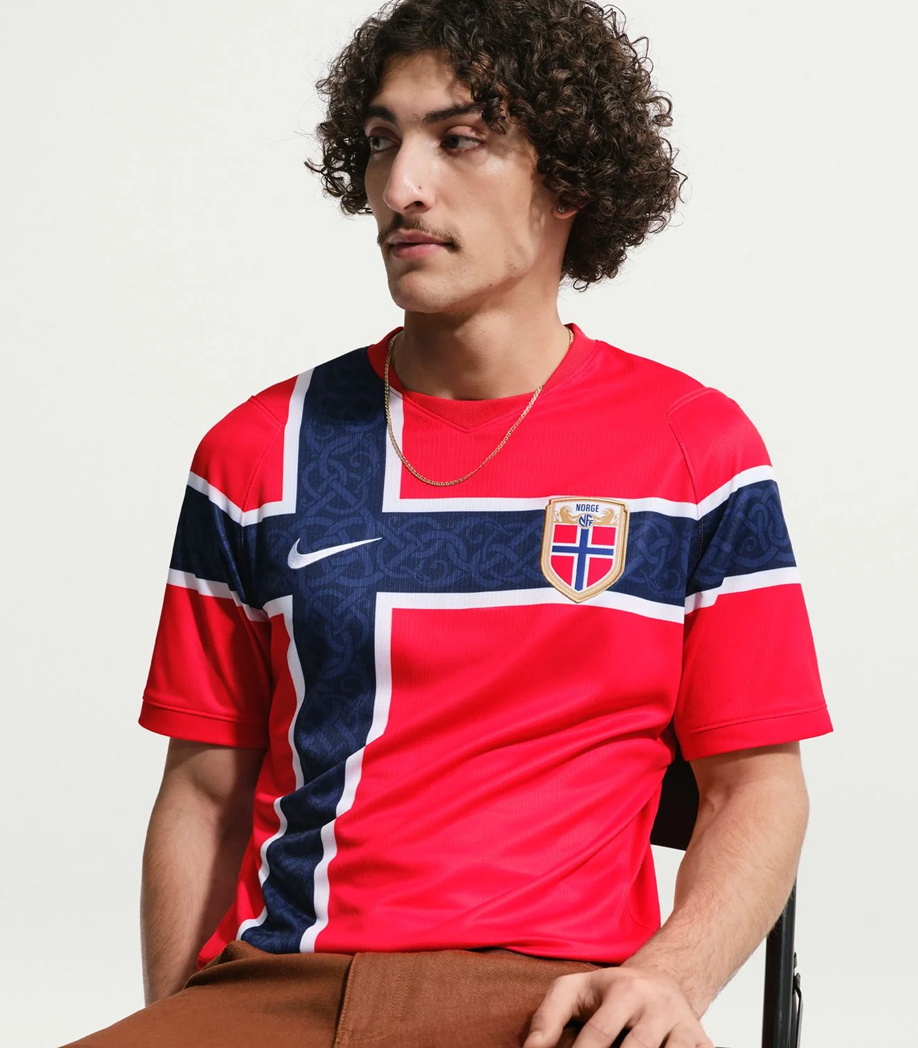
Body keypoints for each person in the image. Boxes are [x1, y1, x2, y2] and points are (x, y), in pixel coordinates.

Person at [63, 1, 832, 1045]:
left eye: (459, 139)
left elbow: (756, 787)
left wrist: (670, 979)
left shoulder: (696, 453)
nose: (400, 188)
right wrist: (181, 1020)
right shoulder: (257, 454)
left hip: (557, 999)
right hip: (285, 986)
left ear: (568, 177)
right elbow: (204, 792)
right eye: (382, 142)